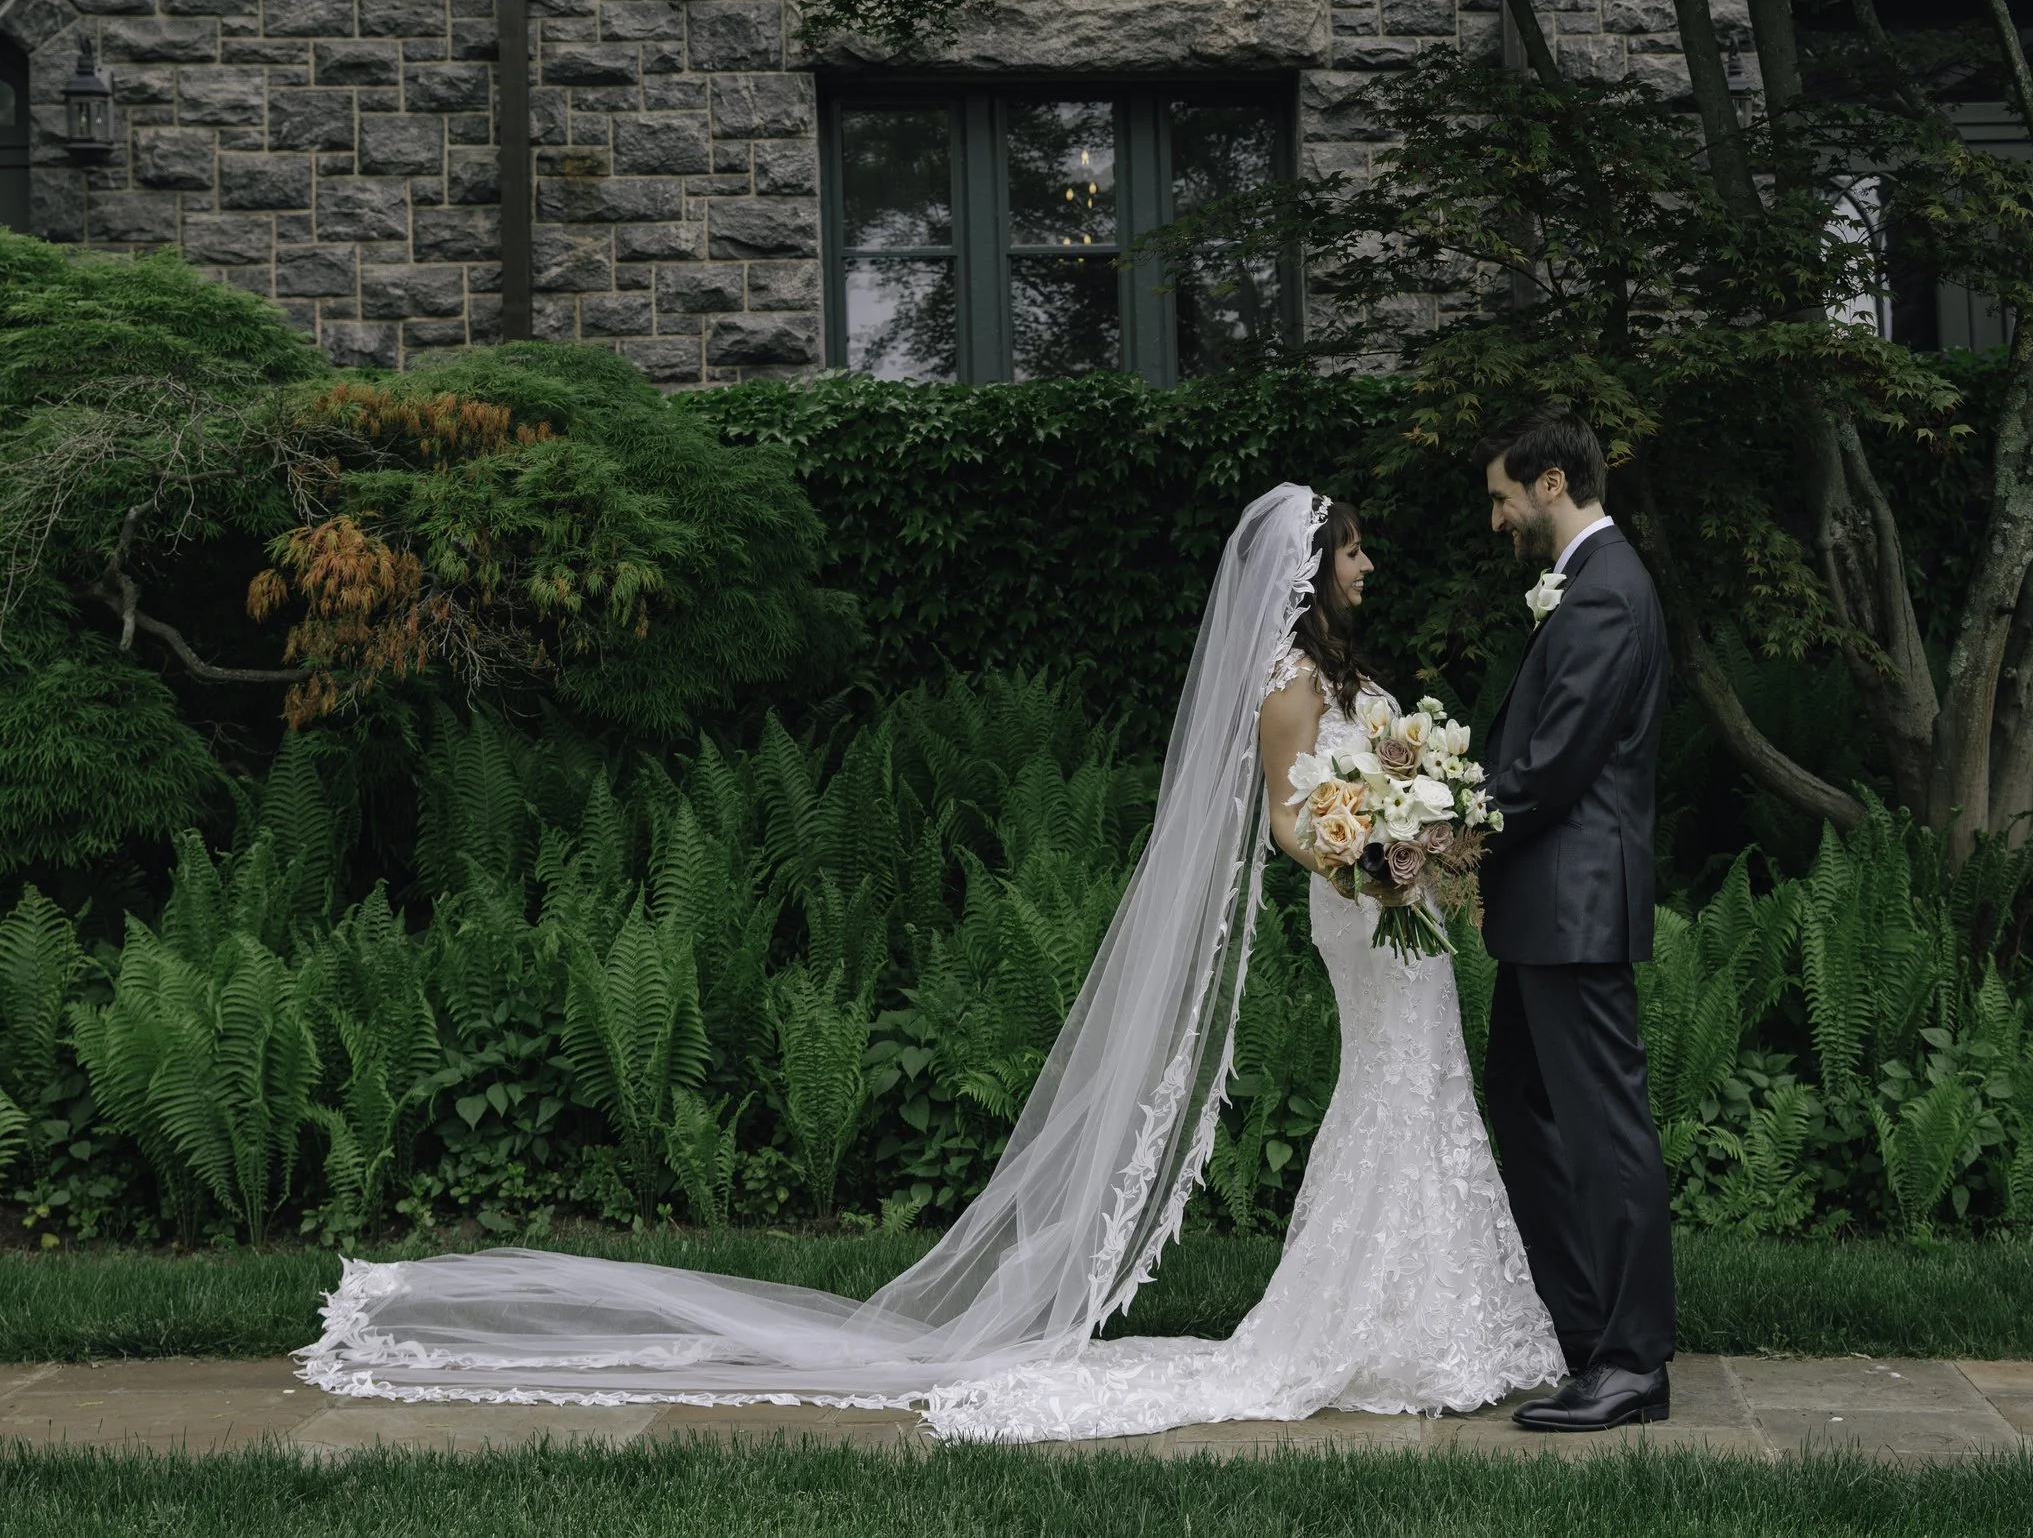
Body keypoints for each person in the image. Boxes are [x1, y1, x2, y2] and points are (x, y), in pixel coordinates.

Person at [298, 485, 1563, 1441]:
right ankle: (1368, 1328)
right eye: (1352, 549)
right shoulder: (1286, 682)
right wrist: (1367, 850)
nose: (1367, 565)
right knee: (1393, 1089)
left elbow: (1384, 777)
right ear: (1310, 565)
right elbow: (1293, 824)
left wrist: (1424, 822)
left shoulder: (1348, 671)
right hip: (1359, 910)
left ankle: (1435, 1315)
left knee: (1425, 1088)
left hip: (1408, 909)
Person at [1473, 403, 1678, 1432]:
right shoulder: (1590, 585)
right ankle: (1587, 1326)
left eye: (1505, 496)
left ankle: (1633, 1360)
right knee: (1519, 1097)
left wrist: (1452, 827)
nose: (1500, 517)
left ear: (1552, 482)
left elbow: (1553, 763)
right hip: (1548, 903)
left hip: (1574, 901)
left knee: (1605, 1129)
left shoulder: (1604, 593)